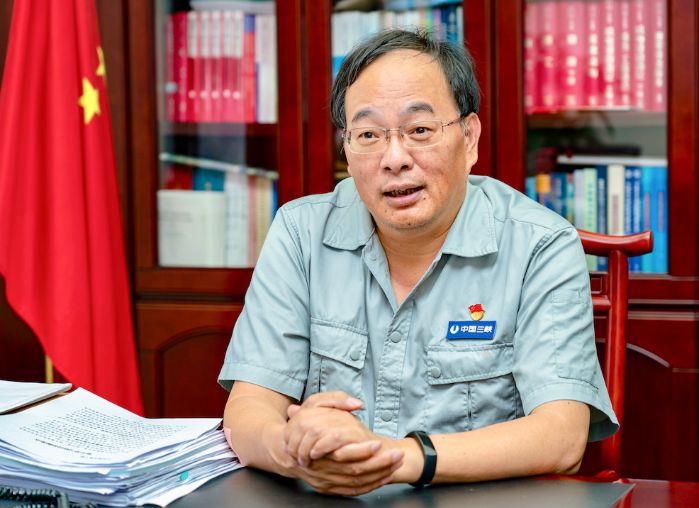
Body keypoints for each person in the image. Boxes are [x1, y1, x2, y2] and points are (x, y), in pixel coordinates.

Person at [218, 29, 617, 496]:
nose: (394, 159)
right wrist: (295, 452)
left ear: (469, 138)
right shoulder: (300, 232)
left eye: (419, 131)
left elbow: (561, 436)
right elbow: (248, 410)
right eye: (368, 135)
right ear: (346, 148)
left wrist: (396, 459)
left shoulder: (541, 246)